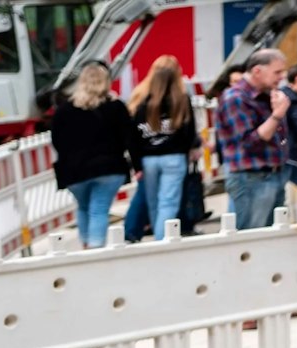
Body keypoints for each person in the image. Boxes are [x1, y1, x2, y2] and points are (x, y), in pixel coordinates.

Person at [49, 62, 135, 249]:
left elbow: (57, 140)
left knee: (83, 207)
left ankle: (85, 246)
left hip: (75, 171)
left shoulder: (64, 110)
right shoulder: (116, 107)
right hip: (109, 167)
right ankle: (95, 250)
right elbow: (129, 138)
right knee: (99, 209)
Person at [214, 48, 294, 230]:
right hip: (252, 177)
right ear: (257, 71)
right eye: (277, 72)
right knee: (251, 237)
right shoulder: (236, 98)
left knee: (268, 237)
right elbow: (250, 142)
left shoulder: (266, 95)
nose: (281, 77)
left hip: (273, 173)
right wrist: (277, 114)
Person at [125, 54, 200, 240]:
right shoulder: (181, 100)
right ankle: (162, 239)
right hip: (174, 157)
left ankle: (157, 236)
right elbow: (189, 132)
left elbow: (132, 138)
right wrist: (188, 150)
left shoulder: (140, 101)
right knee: (169, 202)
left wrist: (137, 165)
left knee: (153, 203)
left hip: (148, 159)